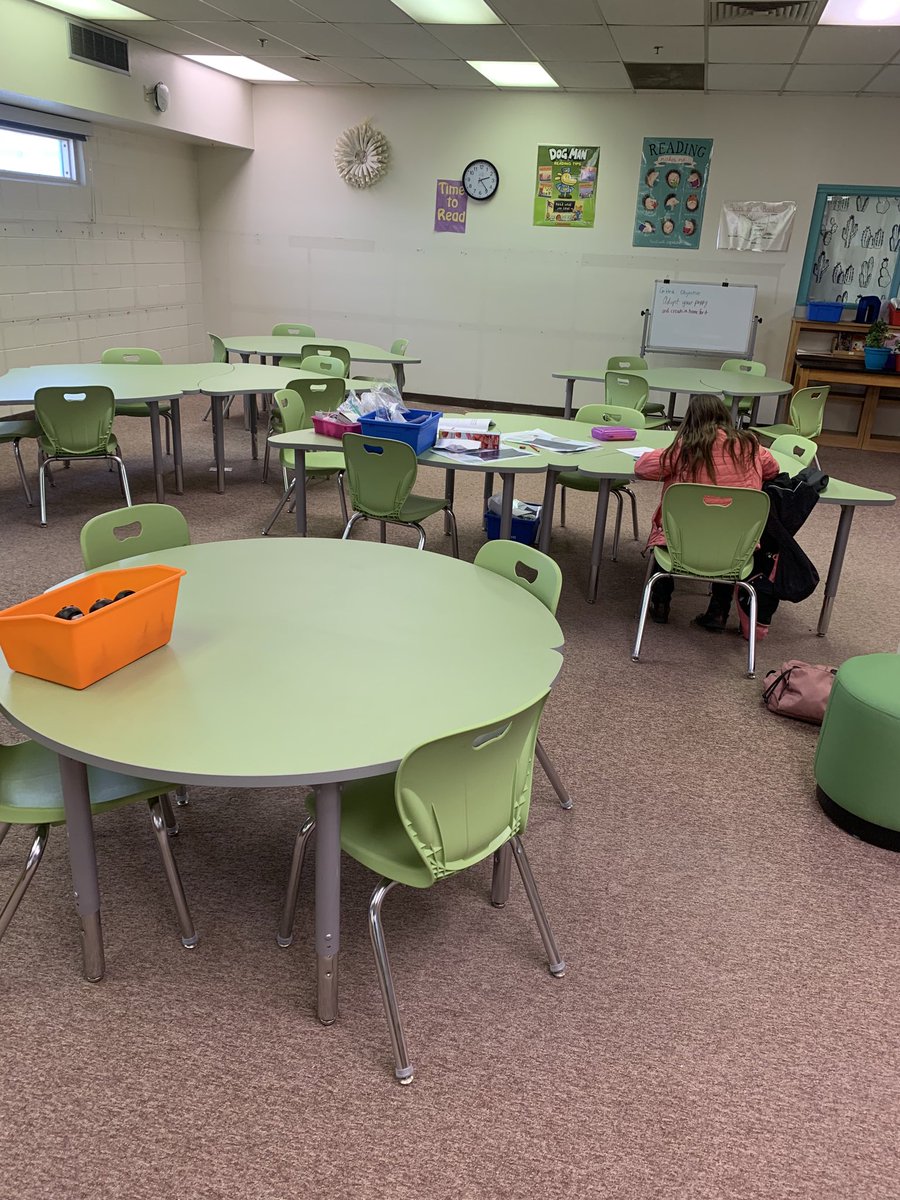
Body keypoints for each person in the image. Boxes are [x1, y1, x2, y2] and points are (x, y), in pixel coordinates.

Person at [634, 395, 779, 635]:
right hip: (737, 547)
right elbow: (773, 469)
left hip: (682, 543)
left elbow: (642, 468)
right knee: (727, 543)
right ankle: (718, 612)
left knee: (666, 535)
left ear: (690, 420)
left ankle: (660, 604)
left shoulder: (686, 448)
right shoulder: (751, 445)